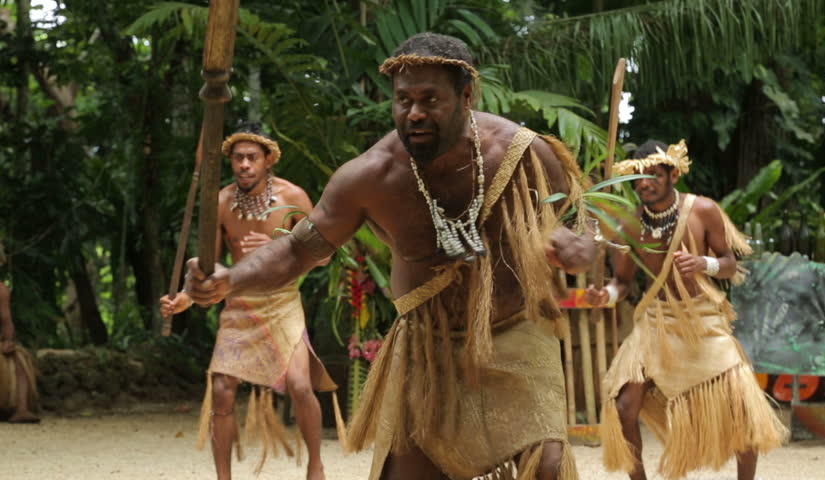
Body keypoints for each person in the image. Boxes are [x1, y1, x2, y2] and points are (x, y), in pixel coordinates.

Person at [184, 33, 597, 480]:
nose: (414, 113)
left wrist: (582, 244)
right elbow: (297, 250)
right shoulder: (370, 176)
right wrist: (232, 279)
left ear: (465, 96)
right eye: (403, 100)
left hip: (515, 332)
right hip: (426, 346)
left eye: (429, 99)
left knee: (547, 467)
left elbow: (581, 218)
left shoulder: (521, 154)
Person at [586, 140, 787, 480]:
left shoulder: (702, 210)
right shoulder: (631, 225)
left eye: (654, 174)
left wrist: (702, 263)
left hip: (701, 319)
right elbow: (621, 283)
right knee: (624, 407)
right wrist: (603, 296)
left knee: (742, 410)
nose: (645, 183)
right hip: (656, 322)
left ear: (674, 174)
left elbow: (729, 264)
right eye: (639, 176)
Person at [159, 123, 339, 480]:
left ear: (268, 160)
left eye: (251, 158)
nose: (244, 165)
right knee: (223, 391)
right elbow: (207, 265)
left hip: (282, 300)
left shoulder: (294, 197)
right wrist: (185, 297)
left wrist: (278, 251)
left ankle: (315, 467)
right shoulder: (221, 202)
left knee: (301, 386)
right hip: (239, 305)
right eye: (238, 158)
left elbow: (323, 256)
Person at [0, 240, 40, 423]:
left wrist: (8, 340)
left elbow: (6, 320)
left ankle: (21, 409)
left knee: (19, 357)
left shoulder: (1, 290)